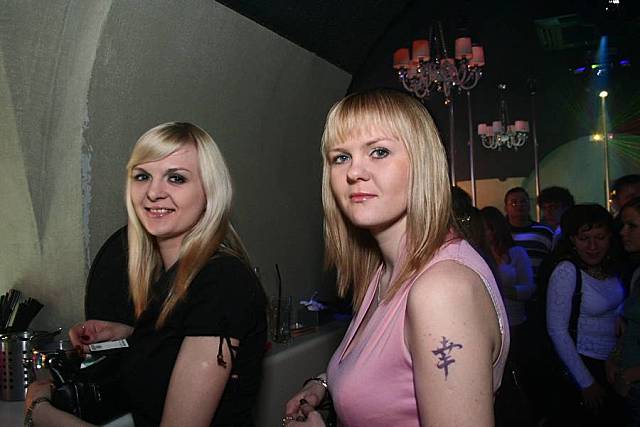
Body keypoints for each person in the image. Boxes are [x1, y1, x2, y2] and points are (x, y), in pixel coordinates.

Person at [284, 89, 509, 426]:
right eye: (341, 157)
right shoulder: (384, 270)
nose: (354, 172)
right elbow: (391, 375)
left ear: (423, 163)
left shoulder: (442, 291)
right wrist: (324, 384)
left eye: (379, 151)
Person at [24, 122, 267, 427]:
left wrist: (40, 411)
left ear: (210, 191)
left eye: (176, 178)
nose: (153, 192)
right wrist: (130, 336)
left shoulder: (221, 281)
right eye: (142, 176)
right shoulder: (172, 277)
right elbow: (181, 339)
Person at [546, 204, 625, 426]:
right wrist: (585, 382)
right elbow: (557, 330)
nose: (593, 246)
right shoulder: (566, 271)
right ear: (572, 240)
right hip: (583, 362)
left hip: (612, 363)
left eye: (600, 237)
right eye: (584, 239)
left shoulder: (611, 266)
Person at [481, 206, 536, 425]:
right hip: (488, 328)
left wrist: (503, 290)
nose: (487, 233)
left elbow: (529, 288)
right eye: (483, 228)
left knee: (517, 379)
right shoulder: (476, 254)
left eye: (490, 228)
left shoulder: (516, 253)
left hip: (515, 324)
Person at [607, 196, 640, 425]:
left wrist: (630, 375)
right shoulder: (637, 272)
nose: (623, 232)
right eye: (623, 225)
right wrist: (615, 358)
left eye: (632, 226)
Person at [504, 187, 553, 281]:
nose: (519, 205)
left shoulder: (544, 232)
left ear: (529, 205)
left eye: (523, 202)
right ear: (506, 208)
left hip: (539, 285)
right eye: (514, 203)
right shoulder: (500, 233)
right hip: (507, 286)